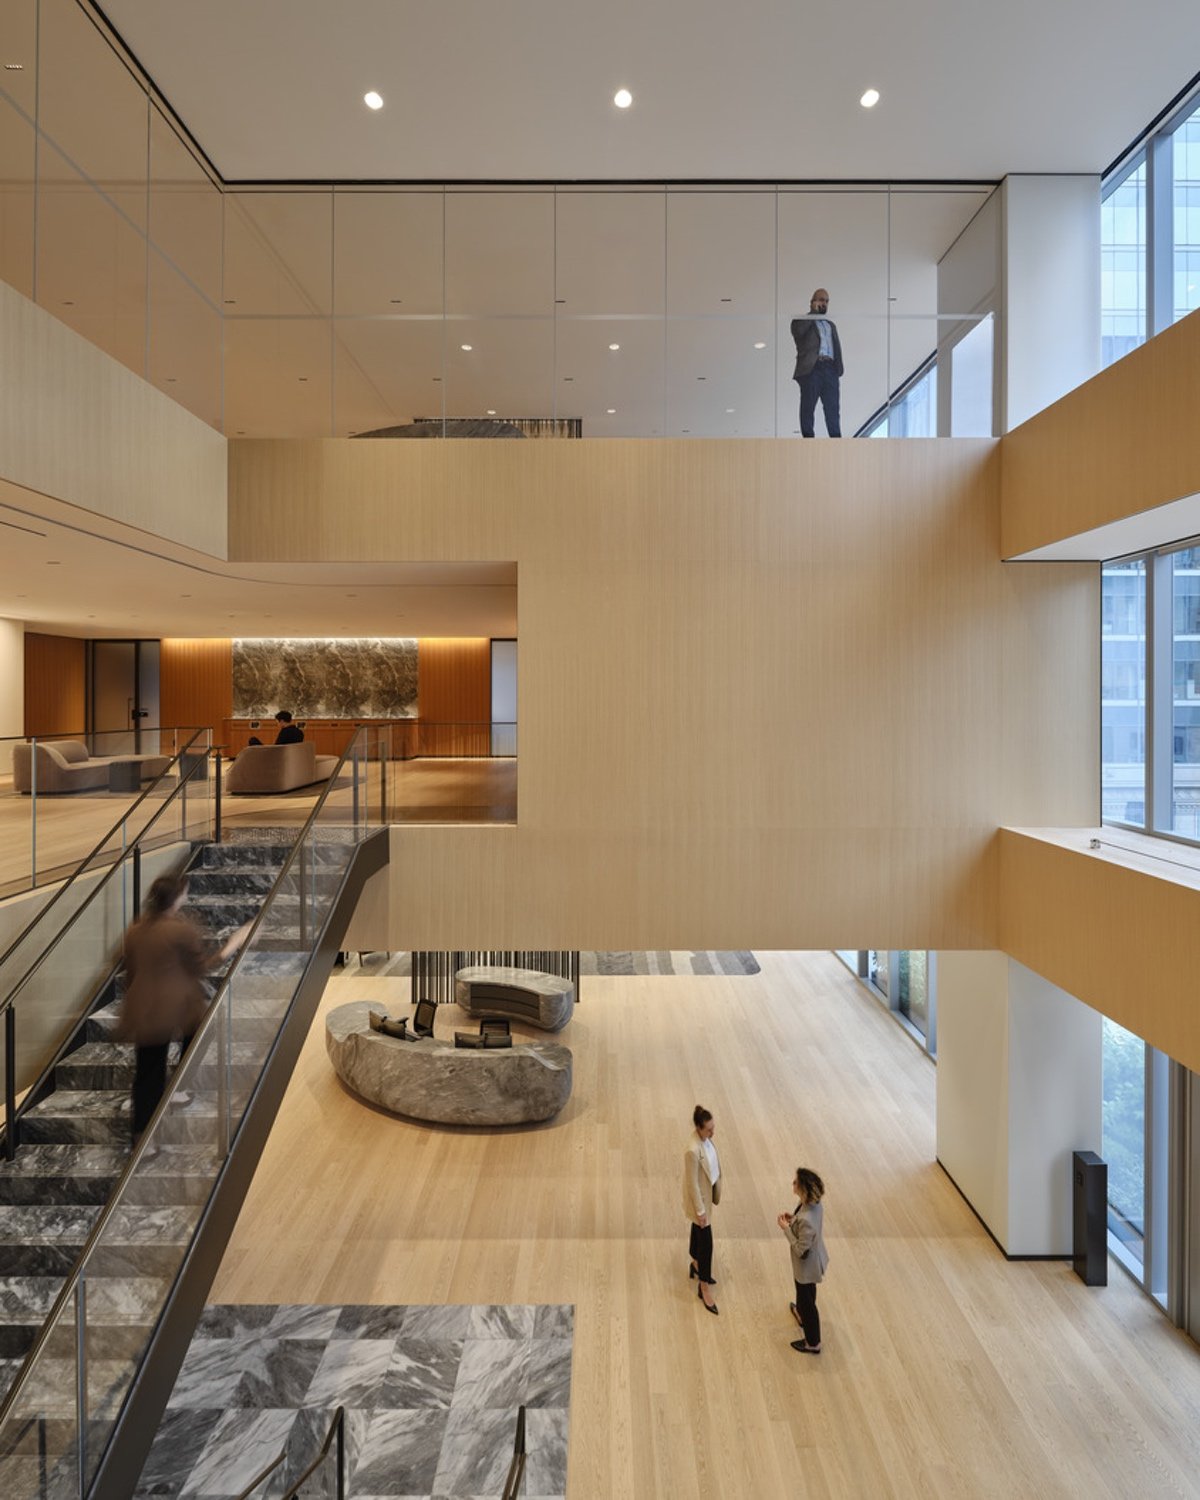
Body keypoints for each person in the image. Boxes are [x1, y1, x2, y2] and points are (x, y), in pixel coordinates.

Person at [118, 874, 250, 1140]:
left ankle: (142, 1134)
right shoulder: (180, 930)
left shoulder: (135, 930)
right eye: (185, 893)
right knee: (197, 1038)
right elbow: (202, 967)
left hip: (145, 1010)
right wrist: (233, 944)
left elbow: (132, 972)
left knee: (148, 1072)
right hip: (172, 1008)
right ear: (177, 898)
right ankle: (171, 1097)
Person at [777, 1166, 829, 1353]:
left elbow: (800, 1249)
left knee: (808, 1302)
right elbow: (805, 1224)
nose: (793, 1183)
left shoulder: (807, 1218)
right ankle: (800, 1313)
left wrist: (786, 1229)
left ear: (804, 1189)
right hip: (811, 1263)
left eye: (796, 1182)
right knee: (805, 1295)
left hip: (806, 1268)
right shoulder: (813, 1206)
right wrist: (793, 1220)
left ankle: (813, 1343)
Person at [683, 1104, 721, 1315]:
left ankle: (695, 1264)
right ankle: (704, 1286)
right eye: (708, 1129)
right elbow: (692, 1184)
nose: (712, 1132)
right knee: (707, 1244)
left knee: (697, 1232)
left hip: (706, 1197)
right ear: (698, 1128)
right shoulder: (692, 1150)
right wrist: (700, 1212)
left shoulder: (705, 1139)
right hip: (700, 1202)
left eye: (713, 1127)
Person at [791, 288, 844, 438]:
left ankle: (836, 440)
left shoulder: (830, 325)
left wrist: (837, 369)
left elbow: (836, 347)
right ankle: (808, 439)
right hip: (812, 368)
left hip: (830, 369)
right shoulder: (801, 321)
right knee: (808, 406)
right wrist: (812, 314)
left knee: (832, 408)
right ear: (812, 302)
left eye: (826, 301)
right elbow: (798, 332)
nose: (824, 303)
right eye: (821, 300)